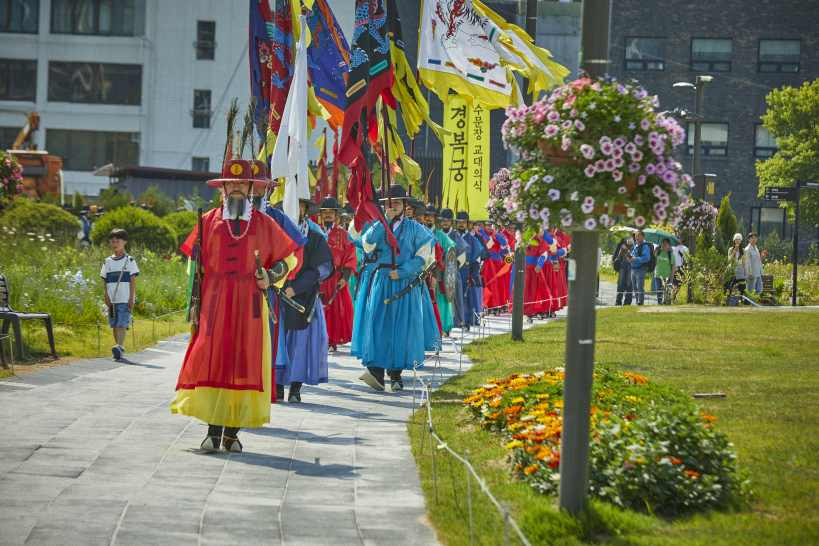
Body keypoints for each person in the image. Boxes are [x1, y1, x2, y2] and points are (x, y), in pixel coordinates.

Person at [171, 157, 299, 452]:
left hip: (249, 305)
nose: (237, 189)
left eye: (243, 184)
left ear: (251, 188)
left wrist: (270, 276)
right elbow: (193, 265)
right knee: (212, 360)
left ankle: (232, 433)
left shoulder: (265, 224)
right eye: (232, 184)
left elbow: (290, 259)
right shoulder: (207, 222)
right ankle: (213, 431)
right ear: (223, 189)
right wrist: (195, 299)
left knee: (244, 364)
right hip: (214, 305)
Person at [356, 185, 436, 392]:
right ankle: (376, 371)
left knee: (400, 326)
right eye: (389, 204)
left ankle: (396, 374)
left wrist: (402, 272)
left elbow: (423, 257)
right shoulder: (377, 225)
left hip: (402, 282)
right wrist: (383, 223)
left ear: (405, 205)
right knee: (377, 324)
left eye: (397, 203)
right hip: (381, 280)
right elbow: (367, 245)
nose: (393, 207)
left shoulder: (416, 229)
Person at [277, 198, 334, 402]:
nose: (295, 208)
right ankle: (277, 385)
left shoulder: (314, 236)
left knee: (300, 345)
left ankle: (295, 388)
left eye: (300, 205)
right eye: (292, 203)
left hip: (304, 297)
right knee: (279, 342)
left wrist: (296, 287)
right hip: (278, 294)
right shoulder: (275, 231)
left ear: (306, 209)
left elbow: (321, 268)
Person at [319, 197, 356, 352]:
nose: (328, 215)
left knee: (335, 310)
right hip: (318, 278)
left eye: (331, 212)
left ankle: (332, 340)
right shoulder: (316, 231)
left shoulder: (343, 234)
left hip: (336, 278)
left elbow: (351, 255)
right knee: (319, 309)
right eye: (325, 212)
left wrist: (345, 277)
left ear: (336, 215)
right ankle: (320, 338)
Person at [100, 228, 139, 361]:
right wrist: (106, 295)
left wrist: (131, 298)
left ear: (125, 242)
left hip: (124, 297)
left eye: (118, 240)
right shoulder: (107, 261)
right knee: (114, 324)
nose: (115, 243)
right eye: (113, 240)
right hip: (112, 299)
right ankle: (119, 349)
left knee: (122, 323)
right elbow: (104, 280)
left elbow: (133, 280)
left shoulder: (130, 260)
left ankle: (119, 346)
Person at [421, 205, 458, 336]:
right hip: (421, 272)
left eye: (431, 216)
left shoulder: (440, 234)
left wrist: (443, 257)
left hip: (437, 272)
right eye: (426, 216)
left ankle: (441, 326)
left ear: (435, 218)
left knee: (439, 301)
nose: (428, 219)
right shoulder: (419, 231)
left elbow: (451, 247)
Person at [439, 209, 468, 328]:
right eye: (443, 220)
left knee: (454, 297)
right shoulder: (437, 234)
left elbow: (462, 256)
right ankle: (440, 322)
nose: (445, 223)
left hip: (452, 272)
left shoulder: (455, 236)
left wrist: (452, 267)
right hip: (438, 272)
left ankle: (456, 322)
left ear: (451, 222)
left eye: (448, 220)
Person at [477, 223, 511, 314]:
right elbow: (487, 245)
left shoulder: (496, 234)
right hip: (487, 263)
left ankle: (497, 305)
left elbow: (504, 243)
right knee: (488, 284)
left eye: (491, 225)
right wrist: (488, 235)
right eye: (487, 225)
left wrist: (495, 234)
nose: (489, 227)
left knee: (498, 285)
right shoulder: (481, 234)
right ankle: (487, 304)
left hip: (497, 263)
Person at [456, 212, 483, 328]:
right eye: (459, 222)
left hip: (467, 271)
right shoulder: (452, 236)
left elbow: (477, 258)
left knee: (467, 297)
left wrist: (473, 273)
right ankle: (455, 321)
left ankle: (467, 320)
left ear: (467, 224)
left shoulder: (473, 240)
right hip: (454, 271)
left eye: (463, 222)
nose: (461, 224)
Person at [628, 229, 652, 305]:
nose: (636, 238)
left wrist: (635, 259)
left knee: (640, 287)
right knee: (635, 287)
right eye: (635, 236)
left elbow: (647, 258)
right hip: (633, 269)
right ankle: (638, 301)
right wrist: (629, 257)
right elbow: (632, 256)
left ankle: (640, 302)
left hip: (641, 269)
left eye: (638, 236)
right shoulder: (636, 245)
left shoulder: (645, 246)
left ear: (643, 237)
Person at [653, 238, 675, 305]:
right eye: (663, 243)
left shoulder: (670, 254)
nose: (664, 245)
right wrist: (656, 249)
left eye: (666, 244)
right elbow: (654, 256)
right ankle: (659, 304)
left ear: (669, 245)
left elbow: (673, 267)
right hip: (657, 275)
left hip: (667, 276)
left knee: (667, 293)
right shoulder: (658, 252)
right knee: (658, 291)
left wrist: (671, 278)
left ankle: (666, 303)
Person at [613, 237, 634, 306]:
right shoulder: (623, 244)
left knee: (629, 284)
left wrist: (628, 251)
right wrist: (622, 250)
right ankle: (618, 301)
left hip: (631, 266)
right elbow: (618, 257)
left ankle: (627, 302)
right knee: (620, 284)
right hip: (622, 266)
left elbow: (633, 257)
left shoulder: (635, 246)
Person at [727, 233, 747, 298]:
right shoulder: (730, 249)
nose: (737, 241)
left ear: (741, 241)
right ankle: (729, 299)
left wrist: (745, 272)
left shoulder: (743, 250)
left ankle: (741, 299)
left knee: (742, 287)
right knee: (730, 286)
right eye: (736, 239)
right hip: (732, 270)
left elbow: (744, 262)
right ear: (734, 241)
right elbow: (729, 260)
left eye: (739, 240)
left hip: (740, 271)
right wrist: (735, 250)